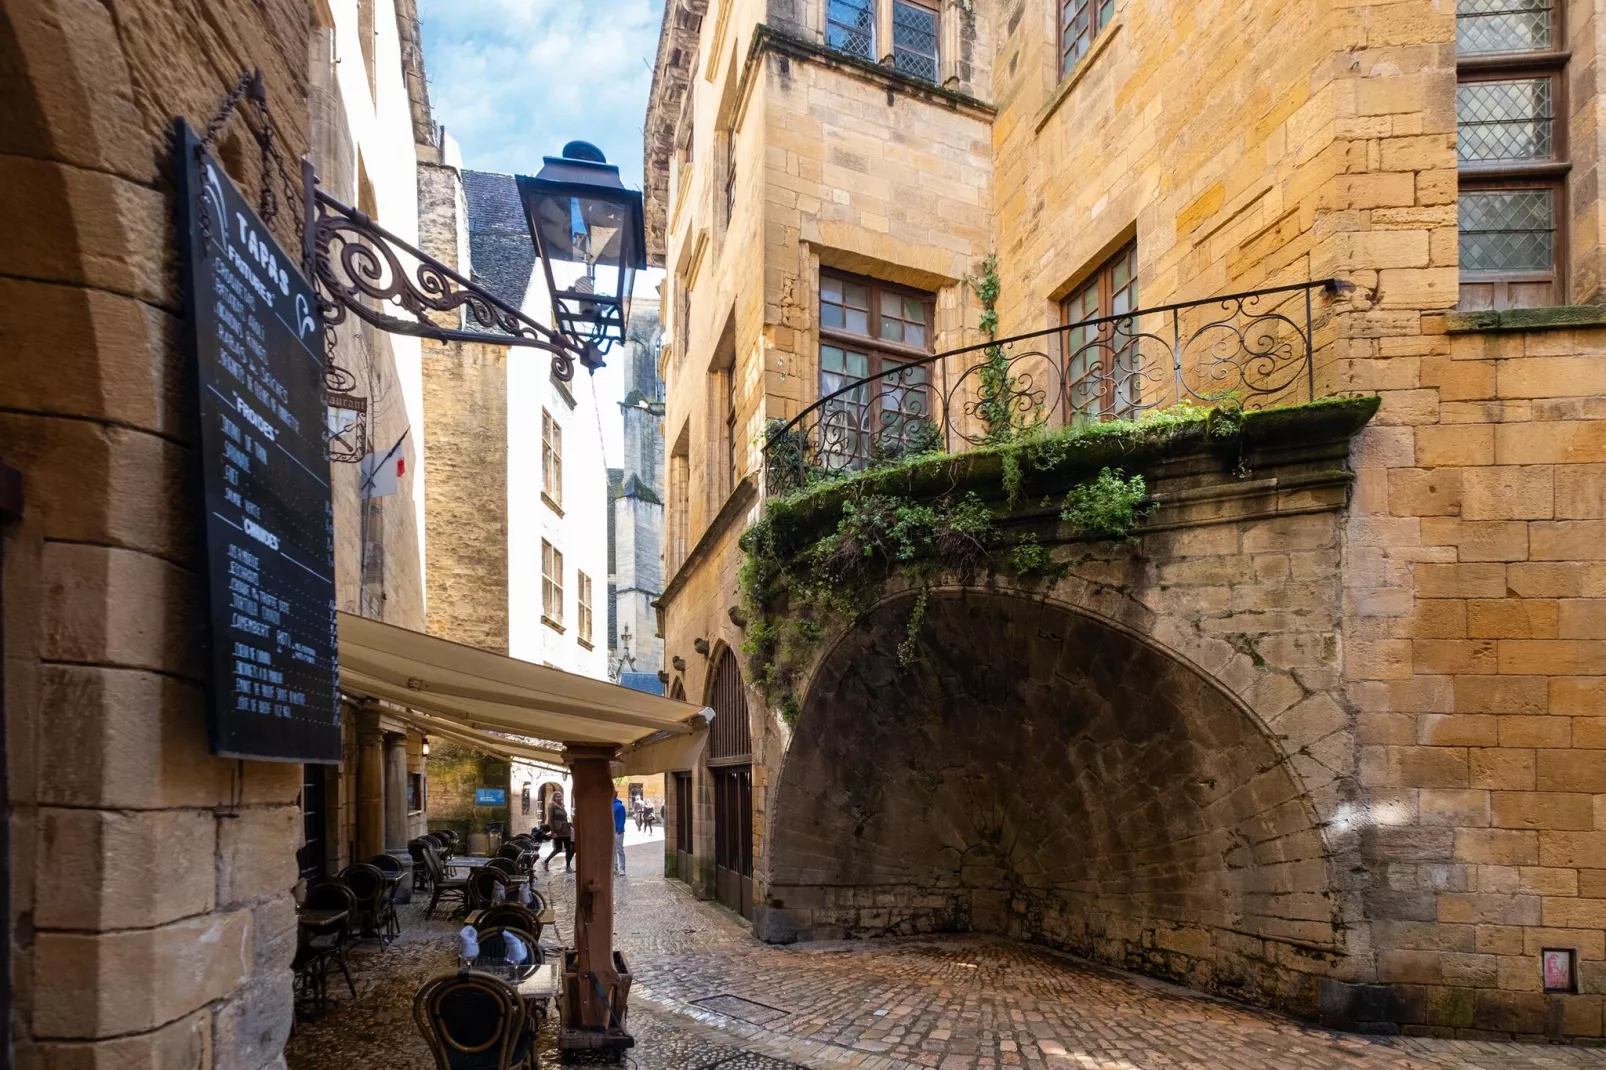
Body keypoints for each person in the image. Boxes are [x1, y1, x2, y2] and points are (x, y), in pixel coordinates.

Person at [542, 794, 573, 873]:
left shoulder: (563, 806)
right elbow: (550, 820)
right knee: (558, 849)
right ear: (554, 798)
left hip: (566, 830)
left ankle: (568, 866)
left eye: (560, 796)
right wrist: (553, 832)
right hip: (558, 830)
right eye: (557, 796)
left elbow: (564, 818)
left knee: (568, 849)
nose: (559, 798)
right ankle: (546, 861)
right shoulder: (551, 806)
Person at [612, 790, 628, 876]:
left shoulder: (619, 806)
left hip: (617, 832)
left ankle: (622, 868)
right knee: (613, 851)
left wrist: (619, 830)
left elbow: (622, 820)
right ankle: (614, 868)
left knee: (619, 850)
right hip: (610, 831)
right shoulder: (608, 805)